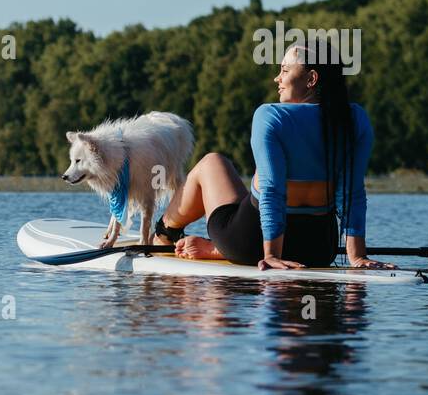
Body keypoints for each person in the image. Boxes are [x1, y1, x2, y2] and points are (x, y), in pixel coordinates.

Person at [151, 43, 396, 271]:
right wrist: (356, 257)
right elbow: (353, 193)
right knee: (243, 195)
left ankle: (164, 235)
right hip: (319, 248)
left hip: (250, 243)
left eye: (285, 70)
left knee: (212, 162)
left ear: (311, 79)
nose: (277, 78)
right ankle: (215, 249)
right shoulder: (355, 118)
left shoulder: (270, 116)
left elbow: (271, 190)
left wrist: (270, 255)